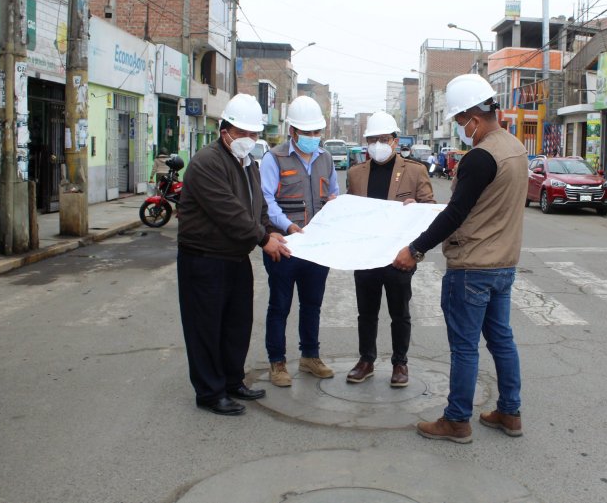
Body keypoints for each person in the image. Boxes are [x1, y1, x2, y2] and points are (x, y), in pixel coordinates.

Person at [393, 74, 528, 443]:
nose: (459, 129)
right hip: (503, 265)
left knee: (465, 347)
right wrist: (425, 211)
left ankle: (456, 420)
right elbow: (477, 206)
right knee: (502, 340)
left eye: (458, 121)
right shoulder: (515, 148)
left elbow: (456, 215)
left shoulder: (479, 158)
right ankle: (510, 412)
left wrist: (414, 249)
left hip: (471, 267)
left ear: (473, 116)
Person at [177, 94, 290, 416]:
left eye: (254, 135)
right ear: (224, 129)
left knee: (236, 324)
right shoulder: (206, 163)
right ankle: (210, 393)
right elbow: (229, 213)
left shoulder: (248, 163)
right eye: (243, 134)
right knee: (206, 327)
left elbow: (257, 208)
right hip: (204, 258)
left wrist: (270, 230)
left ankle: (231, 380)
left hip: (235, 257)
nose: (249, 140)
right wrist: (262, 239)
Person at [345, 112, 435, 387]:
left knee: (400, 313)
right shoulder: (356, 173)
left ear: (395, 141)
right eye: (372, 140)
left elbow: (431, 211)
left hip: (399, 256)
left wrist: (416, 210)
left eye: (383, 139)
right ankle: (366, 360)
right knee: (366, 313)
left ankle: (400, 363)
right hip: (367, 255)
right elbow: (350, 214)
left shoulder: (415, 170)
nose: (378, 144)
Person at [260, 95, 339, 387]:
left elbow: (333, 192)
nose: (313, 138)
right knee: (280, 305)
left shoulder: (326, 157)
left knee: (312, 304)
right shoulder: (274, 158)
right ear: (292, 131)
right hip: (286, 246)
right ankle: (277, 362)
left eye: (317, 132)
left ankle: (310, 356)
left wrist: (333, 202)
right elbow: (266, 199)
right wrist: (289, 226)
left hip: (317, 248)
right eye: (307, 132)